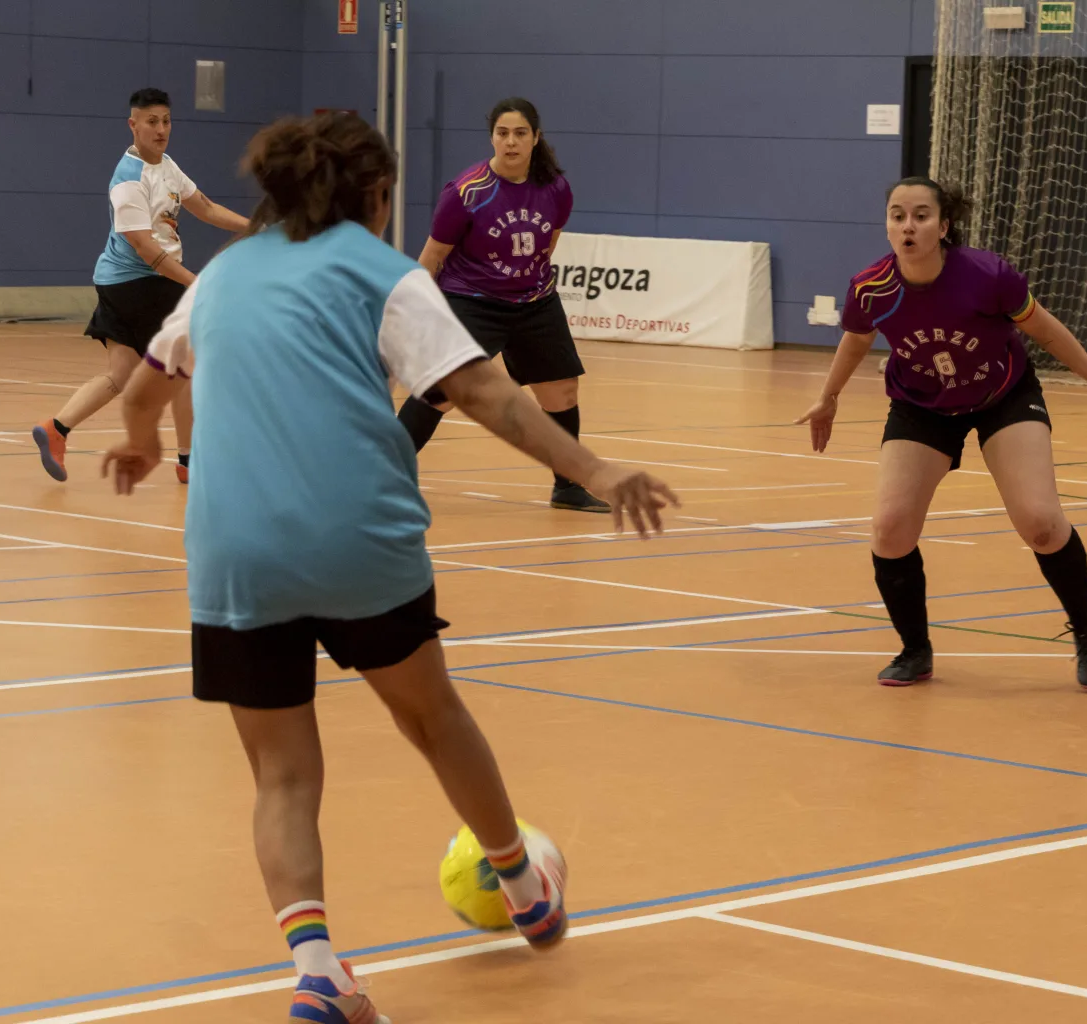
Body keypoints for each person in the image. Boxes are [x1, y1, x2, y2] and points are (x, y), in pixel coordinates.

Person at [101, 112, 678, 1024]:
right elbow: (485, 393)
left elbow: (145, 389)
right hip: (355, 536)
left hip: (236, 550)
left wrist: (139, 447)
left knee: (283, 776)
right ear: (374, 195)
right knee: (433, 717)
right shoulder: (381, 271)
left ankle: (319, 971)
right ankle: (523, 886)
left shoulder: (222, 277)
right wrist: (595, 471)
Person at [795, 176, 1087, 689]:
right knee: (890, 529)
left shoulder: (986, 274)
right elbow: (857, 339)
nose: (908, 226)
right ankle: (915, 650)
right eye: (897, 215)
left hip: (1002, 396)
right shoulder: (871, 287)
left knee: (1041, 522)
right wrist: (829, 396)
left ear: (944, 226)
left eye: (921, 216)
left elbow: (1044, 329)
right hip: (921, 406)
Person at [394, 97, 607, 512]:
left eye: (520, 133)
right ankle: (377, 476)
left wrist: (528, 284)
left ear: (535, 138)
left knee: (561, 391)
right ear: (492, 138)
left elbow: (547, 245)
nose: (511, 142)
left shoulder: (555, 189)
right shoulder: (466, 192)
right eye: (503, 133)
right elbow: (432, 257)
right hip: (472, 301)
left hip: (535, 302)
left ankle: (567, 486)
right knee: (441, 393)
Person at [33, 87, 249, 484]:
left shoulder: (167, 165)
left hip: (117, 283)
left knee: (122, 374)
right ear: (133, 125)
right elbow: (145, 248)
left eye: (166, 121)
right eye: (152, 122)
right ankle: (189, 460)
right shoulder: (128, 181)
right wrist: (195, 283)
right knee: (186, 368)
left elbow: (204, 207)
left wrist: (254, 227)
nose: (161, 129)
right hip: (141, 283)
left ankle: (56, 429)